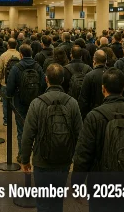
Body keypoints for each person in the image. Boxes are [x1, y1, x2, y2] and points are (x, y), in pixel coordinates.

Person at [72, 67, 124, 212]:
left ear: (103, 89)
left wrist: (77, 184)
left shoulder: (94, 117)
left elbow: (83, 155)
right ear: (123, 87)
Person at [21, 63, 82, 212]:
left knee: (42, 202)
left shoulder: (37, 103)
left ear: (46, 79)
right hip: (64, 160)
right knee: (57, 201)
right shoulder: (72, 103)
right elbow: (80, 135)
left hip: (42, 160)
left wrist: (25, 159)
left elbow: (28, 134)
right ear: (62, 80)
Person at [6, 44, 47, 163]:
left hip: (20, 102)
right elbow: (43, 84)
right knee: (37, 128)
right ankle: (37, 153)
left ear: (21, 54)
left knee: (21, 130)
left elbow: (10, 88)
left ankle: (22, 155)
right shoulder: (38, 67)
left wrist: (11, 97)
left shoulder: (16, 67)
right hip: (36, 102)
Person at [0, 38, 21, 126]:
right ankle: (18, 119)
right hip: (18, 84)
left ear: (8, 45)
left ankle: (6, 120)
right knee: (17, 102)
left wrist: (0, 80)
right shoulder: (19, 55)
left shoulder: (3, 55)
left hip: (5, 83)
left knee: (6, 103)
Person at [78, 50, 106, 120]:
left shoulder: (89, 76)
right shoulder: (110, 74)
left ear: (94, 60)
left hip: (93, 115)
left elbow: (83, 99)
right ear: (106, 61)